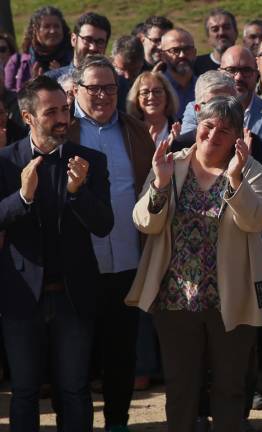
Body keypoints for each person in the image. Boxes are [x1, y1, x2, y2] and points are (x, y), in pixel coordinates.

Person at [126, 95, 262, 432]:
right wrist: (160, 183)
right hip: (175, 299)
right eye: (208, 127)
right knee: (181, 389)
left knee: (230, 388)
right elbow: (144, 222)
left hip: (232, 300)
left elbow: (256, 221)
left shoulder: (251, 170)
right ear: (198, 127)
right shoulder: (172, 163)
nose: (213, 136)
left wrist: (236, 179)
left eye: (224, 131)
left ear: (237, 138)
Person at [0, 75, 112, 431]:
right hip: (21, 298)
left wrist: (78, 192)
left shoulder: (90, 160)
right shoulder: (5, 162)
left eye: (65, 109)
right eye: (51, 112)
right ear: (28, 117)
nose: (63, 119)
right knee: (24, 391)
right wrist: (22, 198)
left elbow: (104, 224)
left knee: (75, 390)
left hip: (73, 297)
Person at [70, 55, 156, 432]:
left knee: (121, 354)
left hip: (127, 259)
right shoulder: (64, 129)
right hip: (77, 264)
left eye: (110, 87)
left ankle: (117, 423)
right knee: (77, 358)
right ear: (76, 90)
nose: (103, 95)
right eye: (94, 88)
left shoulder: (134, 130)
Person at [4, 6, 73, 93]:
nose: (52, 31)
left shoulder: (74, 60)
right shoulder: (17, 62)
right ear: (35, 31)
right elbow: (9, 100)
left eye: (56, 26)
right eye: (46, 27)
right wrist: (33, 85)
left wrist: (63, 76)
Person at [46, 12, 111, 81]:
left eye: (100, 42)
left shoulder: (118, 84)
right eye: (87, 40)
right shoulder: (52, 81)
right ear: (74, 39)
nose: (93, 47)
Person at [126, 71, 179, 146]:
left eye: (157, 91)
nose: (151, 97)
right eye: (145, 92)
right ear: (137, 98)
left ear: (167, 95)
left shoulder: (182, 131)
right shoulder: (128, 132)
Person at [160, 28, 198, 120]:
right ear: (163, 56)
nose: (182, 55)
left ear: (195, 53)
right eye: (175, 50)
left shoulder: (204, 88)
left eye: (187, 49)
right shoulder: (156, 90)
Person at [193, 8, 237, 75]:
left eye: (226, 27)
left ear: (236, 32)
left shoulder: (249, 64)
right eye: (215, 29)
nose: (221, 33)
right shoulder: (195, 66)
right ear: (208, 36)